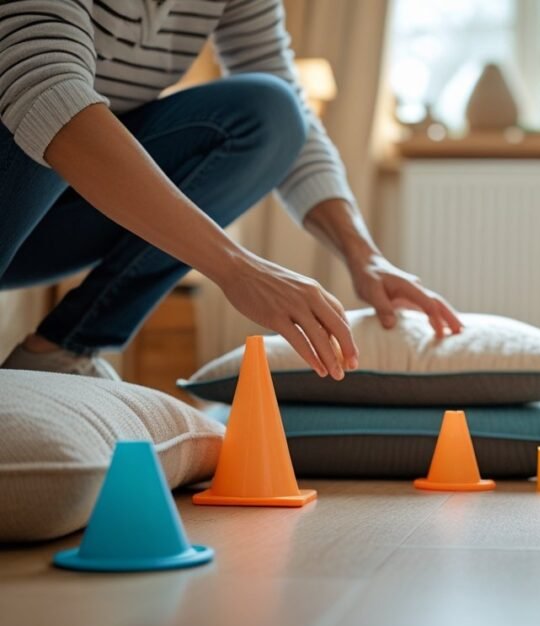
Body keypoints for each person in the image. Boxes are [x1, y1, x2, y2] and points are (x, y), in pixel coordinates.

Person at [0, 0, 461, 382]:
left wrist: (362, 254)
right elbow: (42, 86)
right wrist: (236, 268)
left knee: (270, 114)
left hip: (51, 221)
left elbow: (285, 110)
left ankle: (60, 353)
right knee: (38, 100)